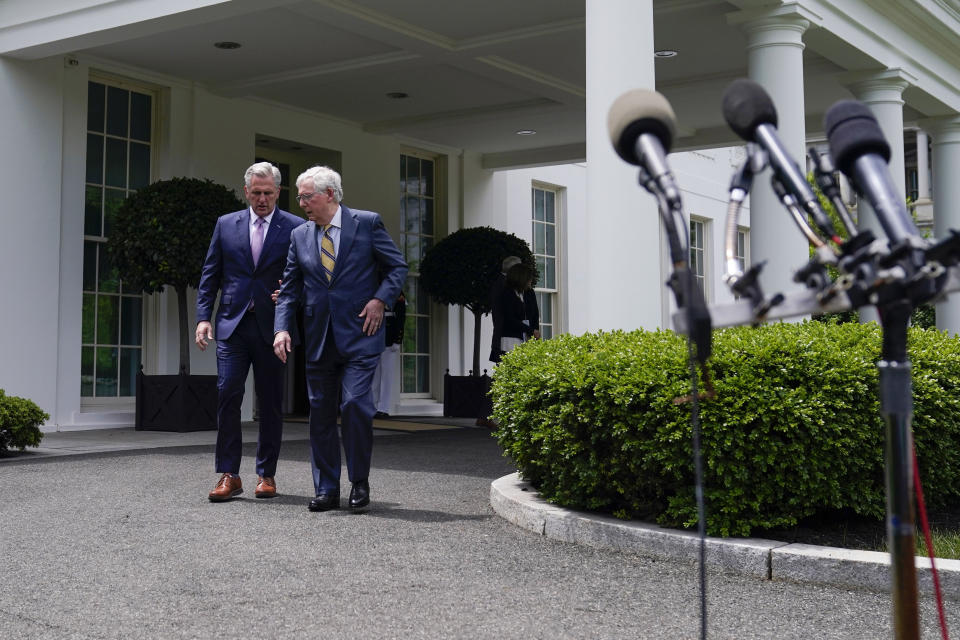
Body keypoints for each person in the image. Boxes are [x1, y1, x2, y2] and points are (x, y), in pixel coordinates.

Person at [273, 166, 407, 512]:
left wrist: (380, 300)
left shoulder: (368, 223)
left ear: (329, 194)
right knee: (319, 414)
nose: (301, 203)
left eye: (307, 196)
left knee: (354, 406)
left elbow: (397, 267)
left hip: (362, 334)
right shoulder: (299, 235)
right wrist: (282, 328)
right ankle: (326, 488)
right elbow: (289, 289)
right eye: (300, 197)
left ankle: (359, 481)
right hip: (318, 338)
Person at [196, 161, 304, 502]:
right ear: (246, 192)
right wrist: (203, 317)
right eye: (256, 193)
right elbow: (210, 274)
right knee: (228, 393)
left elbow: (308, 275)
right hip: (232, 325)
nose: (262, 199)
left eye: (268, 193)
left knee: (271, 401)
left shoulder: (296, 227)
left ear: (278, 192)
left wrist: (291, 293)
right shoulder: (226, 224)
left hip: (274, 328)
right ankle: (229, 474)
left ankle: (266, 474)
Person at [373, 291, 406, 419]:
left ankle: (383, 408)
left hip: (389, 335)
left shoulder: (397, 293)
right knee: (374, 375)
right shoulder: (374, 288)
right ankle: (373, 406)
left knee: (386, 375)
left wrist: (397, 339)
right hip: (375, 334)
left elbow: (401, 317)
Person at [496, 262, 538, 356]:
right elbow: (509, 319)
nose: (530, 281)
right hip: (511, 338)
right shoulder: (507, 293)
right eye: (528, 278)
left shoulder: (529, 293)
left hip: (527, 338)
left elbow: (535, 314)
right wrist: (530, 330)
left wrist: (534, 333)